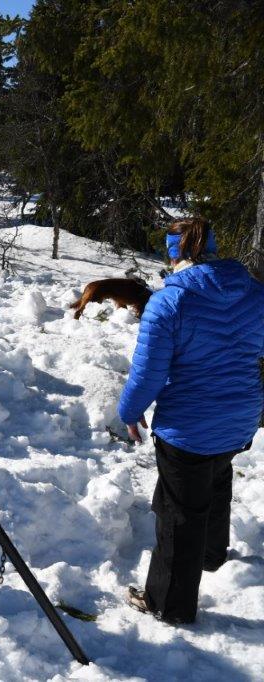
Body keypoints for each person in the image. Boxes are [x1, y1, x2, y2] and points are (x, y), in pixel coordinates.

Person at [119, 218, 264, 624]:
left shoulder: (170, 302)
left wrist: (129, 411)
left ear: (173, 253)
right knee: (215, 478)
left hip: (189, 425)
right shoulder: (254, 293)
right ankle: (211, 555)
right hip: (240, 417)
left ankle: (168, 604)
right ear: (213, 248)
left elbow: (147, 373)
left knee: (179, 512)